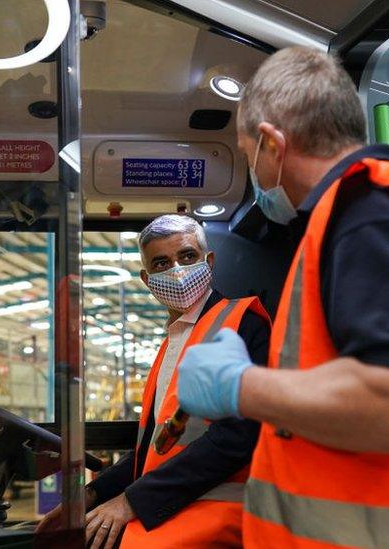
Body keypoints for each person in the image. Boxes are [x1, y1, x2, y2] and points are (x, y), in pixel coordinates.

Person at [176, 47, 389, 548]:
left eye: (247, 157)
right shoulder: (352, 218)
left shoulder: (372, 215)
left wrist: (242, 387)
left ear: (272, 143)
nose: (255, 176)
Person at [39, 215, 271, 549]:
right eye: (162, 262)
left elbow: (238, 437)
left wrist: (130, 502)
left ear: (210, 261)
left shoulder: (243, 322)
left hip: (220, 508)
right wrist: (91, 494)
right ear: (148, 280)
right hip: (175, 502)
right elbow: (155, 448)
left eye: (188, 256)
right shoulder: (172, 344)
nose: (177, 269)